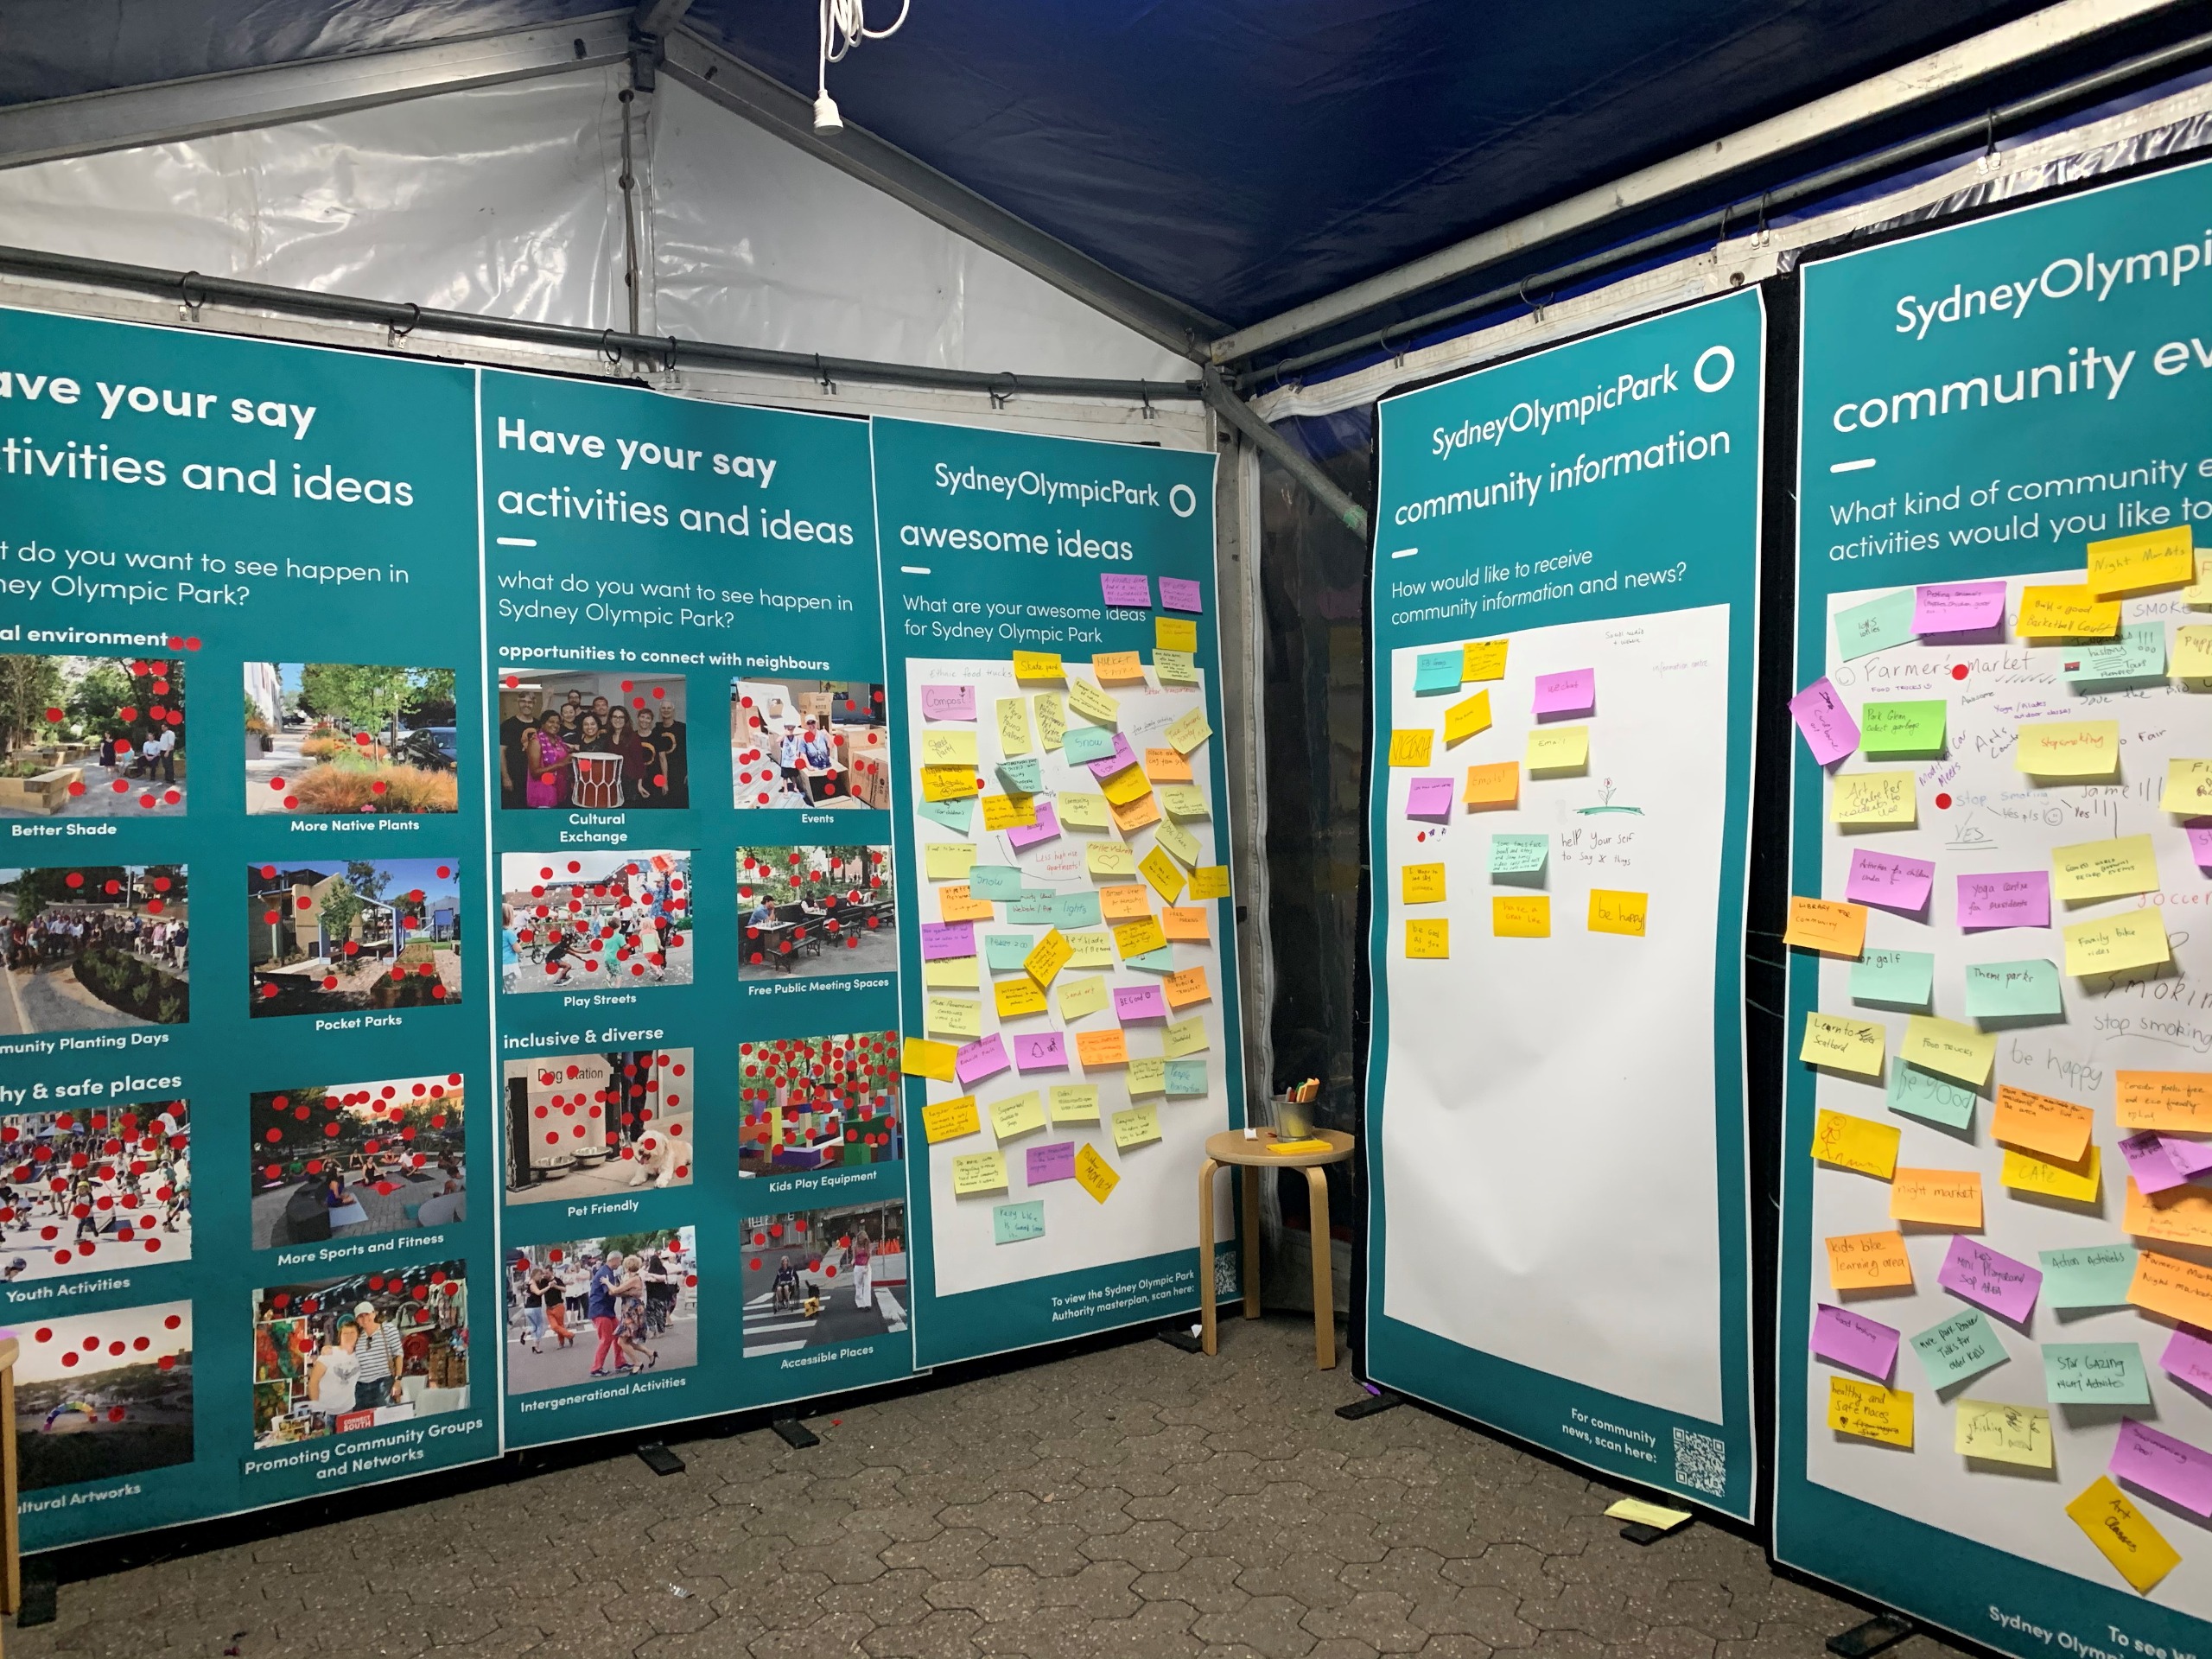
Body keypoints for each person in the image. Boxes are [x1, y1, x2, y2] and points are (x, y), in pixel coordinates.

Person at [350, 1299, 403, 1413]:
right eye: (360, 1316)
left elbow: (398, 1355)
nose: (364, 1319)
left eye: (367, 1314)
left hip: (383, 1383)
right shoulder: (357, 1337)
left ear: (374, 1313)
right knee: (362, 1420)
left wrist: (397, 1381)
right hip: (360, 1387)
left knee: (385, 1416)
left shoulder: (388, 1329)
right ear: (357, 1320)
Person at [307, 1317, 362, 1421]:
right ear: (339, 1336)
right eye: (345, 1333)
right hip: (326, 1412)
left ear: (358, 1336)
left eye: (352, 1333)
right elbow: (313, 1381)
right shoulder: (329, 1354)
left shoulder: (360, 1355)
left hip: (348, 1410)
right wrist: (317, 1408)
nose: (349, 1336)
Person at [586, 1251, 626, 1376]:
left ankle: (620, 1362)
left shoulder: (607, 1272)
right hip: (600, 1311)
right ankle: (596, 1368)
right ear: (614, 1260)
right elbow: (610, 1292)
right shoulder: (605, 1273)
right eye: (619, 1261)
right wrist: (626, 1292)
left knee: (619, 1334)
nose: (620, 1264)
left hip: (607, 1311)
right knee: (606, 1339)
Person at [499, 692, 539, 808]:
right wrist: (505, 777)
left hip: (533, 778)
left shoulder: (538, 724)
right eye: (523, 702)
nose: (527, 705)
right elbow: (501, 752)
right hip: (514, 778)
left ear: (534, 704)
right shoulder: (508, 725)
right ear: (518, 703)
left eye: (530, 702)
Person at [523, 709, 569, 809]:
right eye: (551, 722)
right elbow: (535, 773)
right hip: (543, 793)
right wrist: (559, 765)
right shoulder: (536, 742)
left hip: (558, 790)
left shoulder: (559, 741)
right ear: (543, 724)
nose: (555, 725)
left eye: (558, 723)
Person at [852, 1224, 874, 1310]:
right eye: (859, 1239)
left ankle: (867, 1303)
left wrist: (867, 1266)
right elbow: (854, 1257)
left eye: (862, 1239)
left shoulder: (868, 1245)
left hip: (866, 1266)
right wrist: (852, 1261)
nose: (860, 1240)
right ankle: (860, 1303)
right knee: (858, 1285)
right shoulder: (855, 1246)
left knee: (867, 1285)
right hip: (858, 1267)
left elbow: (869, 1257)